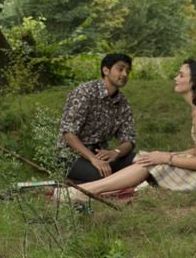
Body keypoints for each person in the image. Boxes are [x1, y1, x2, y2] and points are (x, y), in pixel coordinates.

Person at [65, 59, 196, 199]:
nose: (175, 78)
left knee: (153, 163)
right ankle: (89, 191)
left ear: (195, 82)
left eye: (181, 75)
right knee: (150, 158)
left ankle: (81, 192)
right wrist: (166, 154)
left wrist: (166, 157)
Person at [58, 53, 137, 183]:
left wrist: (116, 152)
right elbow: (68, 133)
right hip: (71, 156)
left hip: (101, 155)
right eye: (120, 69)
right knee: (103, 175)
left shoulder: (122, 102)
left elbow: (129, 139)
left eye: (127, 71)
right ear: (105, 70)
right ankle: (72, 181)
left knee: (141, 161)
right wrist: (92, 159)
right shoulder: (85, 92)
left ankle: (115, 179)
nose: (125, 74)